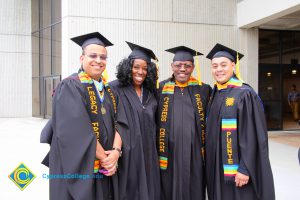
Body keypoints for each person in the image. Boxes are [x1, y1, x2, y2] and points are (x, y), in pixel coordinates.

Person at [41, 32, 126, 200]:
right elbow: (76, 131)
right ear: (81, 58)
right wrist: (105, 159)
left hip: (106, 165)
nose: (99, 60)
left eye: (103, 57)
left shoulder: (110, 90)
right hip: (80, 165)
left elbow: (121, 122)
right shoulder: (71, 86)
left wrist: (116, 152)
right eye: (93, 55)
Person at [205, 43, 275, 200]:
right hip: (217, 167)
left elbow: (252, 135)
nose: (219, 69)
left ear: (233, 66)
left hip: (237, 169)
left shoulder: (244, 94)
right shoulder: (215, 94)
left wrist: (244, 168)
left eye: (223, 65)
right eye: (215, 66)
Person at [157, 46, 211, 200]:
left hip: (194, 152)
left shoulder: (203, 89)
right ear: (172, 66)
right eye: (178, 65)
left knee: (194, 188)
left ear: (193, 67)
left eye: (187, 65)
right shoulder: (160, 88)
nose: (182, 69)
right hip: (168, 151)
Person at [109, 42, 160, 200]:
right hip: (126, 155)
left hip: (149, 153)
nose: (140, 72)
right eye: (136, 67)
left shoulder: (151, 92)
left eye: (145, 68)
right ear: (128, 67)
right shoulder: (114, 88)